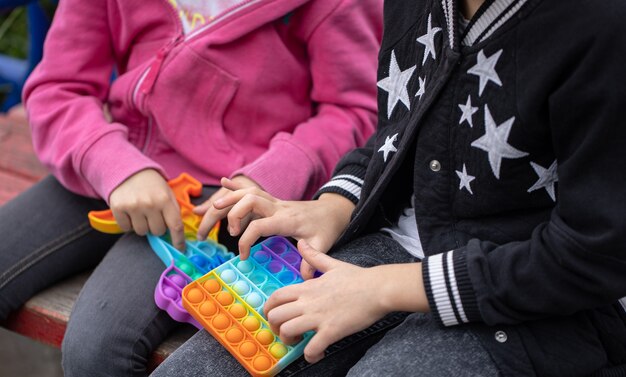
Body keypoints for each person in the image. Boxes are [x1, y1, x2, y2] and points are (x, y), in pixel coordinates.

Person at [151, 0, 626, 376]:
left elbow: (593, 256)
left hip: (540, 296)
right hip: (401, 248)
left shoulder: (600, 25)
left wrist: (383, 289)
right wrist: (335, 205)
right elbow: (399, 133)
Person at [0, 0, 382, 376]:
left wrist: (266, 178)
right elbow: (58, 86)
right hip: (108, 163)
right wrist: (115, 165)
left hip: (220, 197)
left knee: (97, 348)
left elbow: (355, 111)